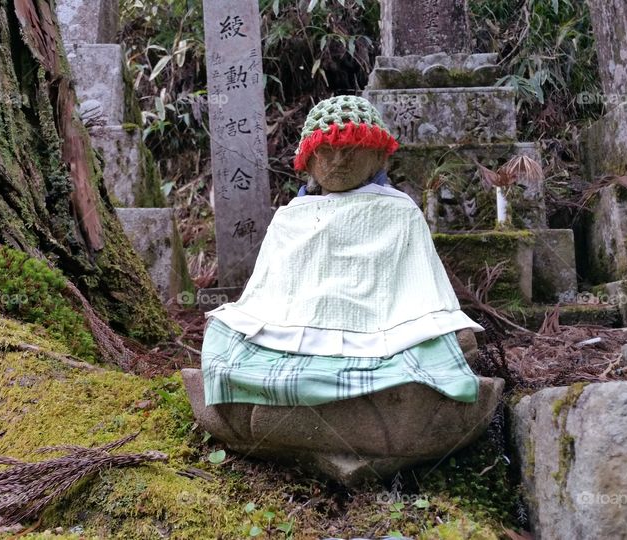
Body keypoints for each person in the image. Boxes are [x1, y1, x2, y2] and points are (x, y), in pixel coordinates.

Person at [201, 95, 482, 407]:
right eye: (325, 150)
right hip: (289, 330)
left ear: (377, 157)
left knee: (459, 341)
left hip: (386, 330)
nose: (337, 160)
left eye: (351, 149)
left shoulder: (400, 211)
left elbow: (423, 288)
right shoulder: (290, 216)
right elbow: (267, 291)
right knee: (221, 330)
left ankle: (288, 402)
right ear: (307, 160)